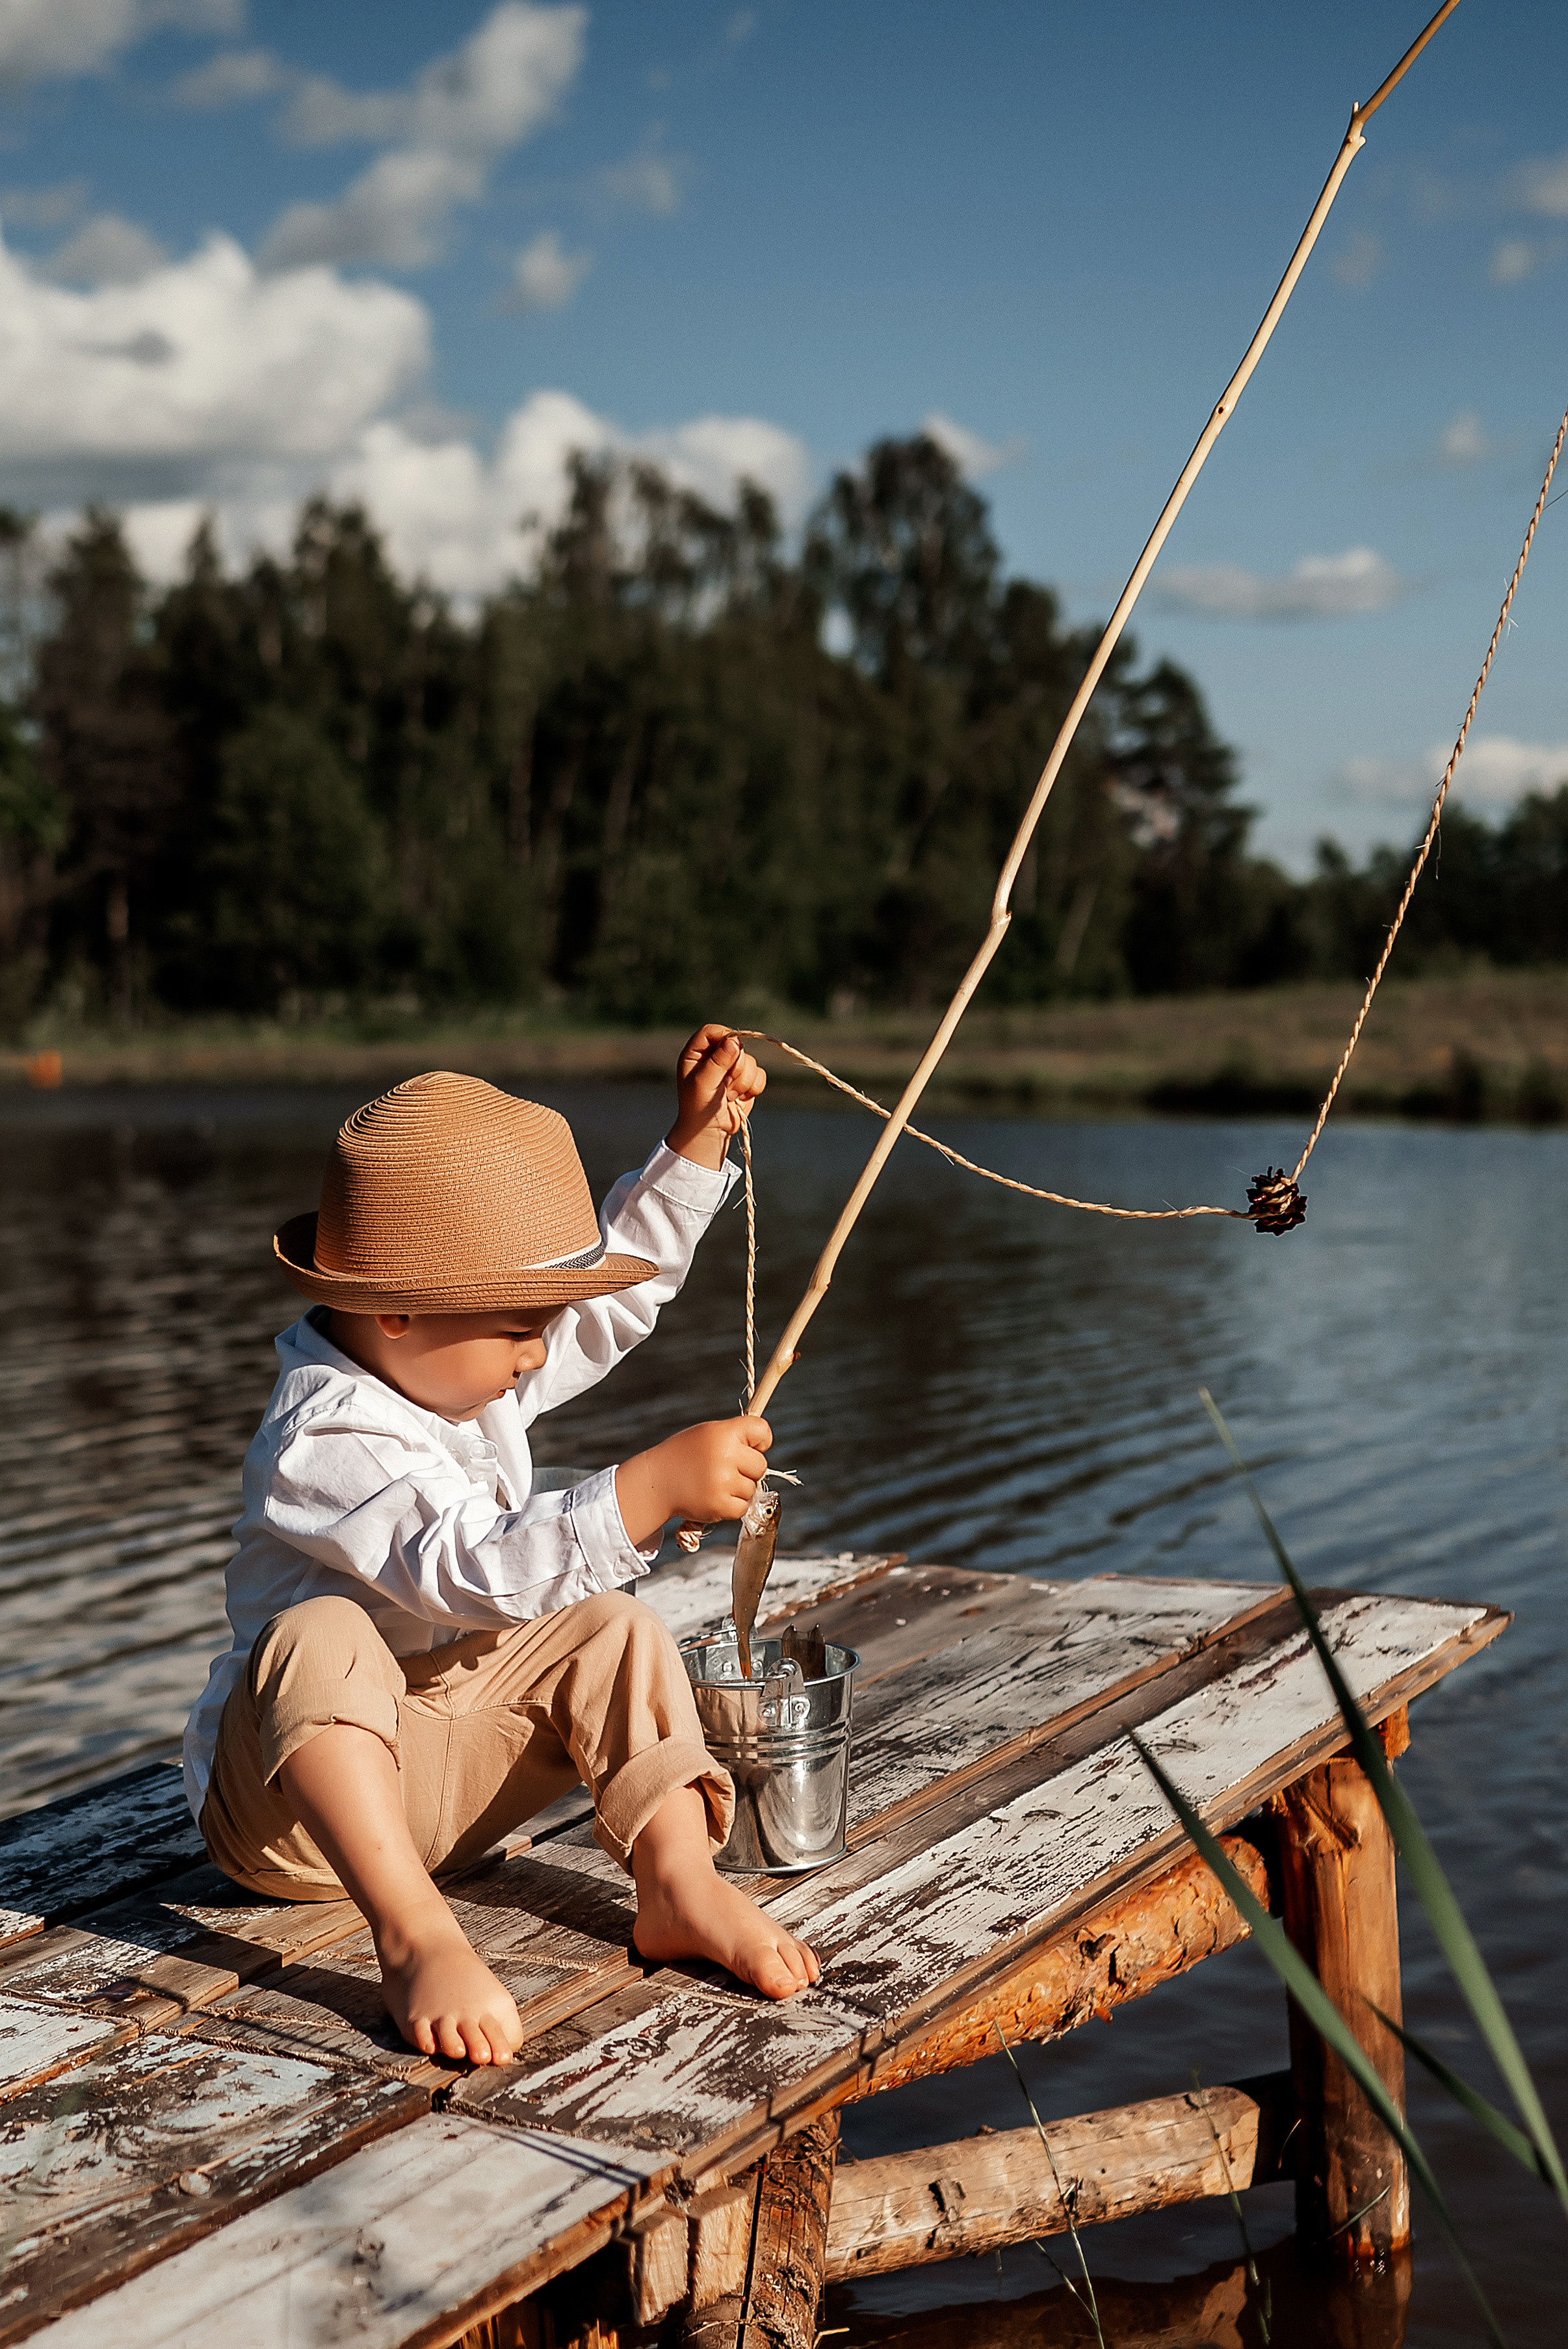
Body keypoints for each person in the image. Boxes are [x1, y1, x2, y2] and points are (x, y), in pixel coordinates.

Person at [183, 1025, 819, 2067]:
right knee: (318, 1635)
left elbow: (605, 1305)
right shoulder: (323, 1435)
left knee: (609, 1626)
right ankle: (414, 1932)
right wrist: (645, 1489)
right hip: (298, 1815)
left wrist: (693, 1149)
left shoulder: (458, 1362)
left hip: (443, 1774)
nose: (540, 1351)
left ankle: (678, 1881)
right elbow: (464, 1563)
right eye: (522, 1325)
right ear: (396, 1307)